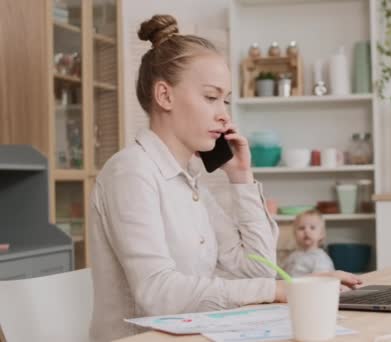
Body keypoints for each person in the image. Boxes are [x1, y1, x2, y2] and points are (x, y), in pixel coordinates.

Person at [88, 14, 361, 342]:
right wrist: (274, 290)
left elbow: (256, 267)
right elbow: (158, 293)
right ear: (165, 96)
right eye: (210, 97)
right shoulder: (131, 173)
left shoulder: (190, 182)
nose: (224, 115)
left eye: (226, 100)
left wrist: (242, 178)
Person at [282, 210, 335, 277]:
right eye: (301, 228)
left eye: (312, 228)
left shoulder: (321, 259)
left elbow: (322, 281)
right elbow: (281, 274)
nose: (306, 231)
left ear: (321, 234)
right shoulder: (292, 256)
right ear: (295, 234)